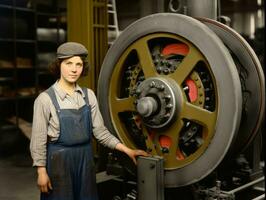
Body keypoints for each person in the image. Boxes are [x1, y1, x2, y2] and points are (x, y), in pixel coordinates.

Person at [30, 42, 148, 200]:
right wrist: (41, 172)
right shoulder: (45, 100)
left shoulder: (88, 95)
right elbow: (38, 140)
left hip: (85, 160)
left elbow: (100, 132)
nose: (74, 69)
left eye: (78, 64)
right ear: (59, 65)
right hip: (59, 162)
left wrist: (127, 150)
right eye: (68, 63)